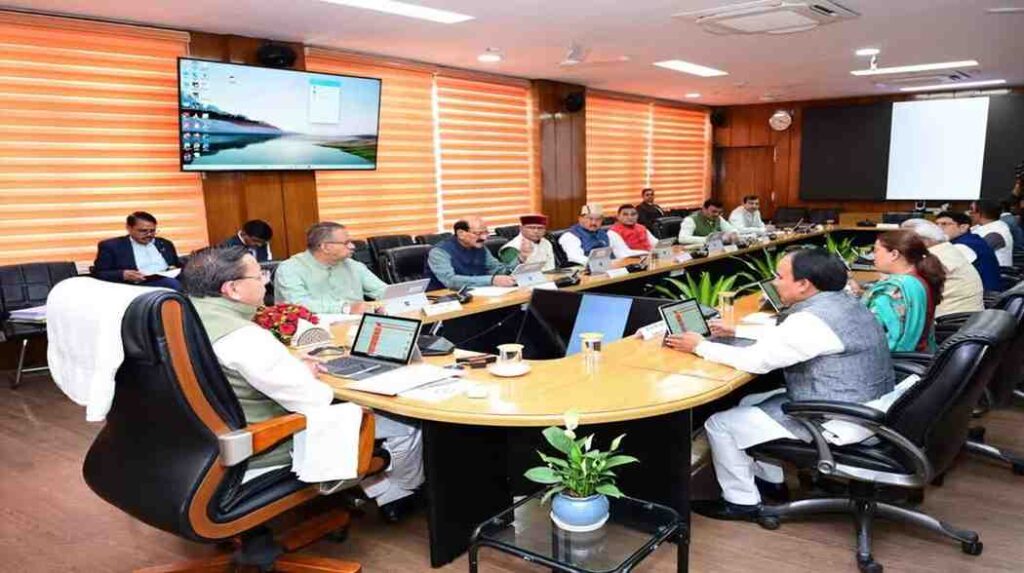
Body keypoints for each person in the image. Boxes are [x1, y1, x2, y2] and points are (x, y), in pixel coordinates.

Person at [181, 246, 424, 523]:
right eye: (259, 276)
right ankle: (395, 495)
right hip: (260, 446)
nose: (265, 282)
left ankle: (371, 489)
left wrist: (288, 365)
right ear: (232, 289)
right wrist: (303, 373)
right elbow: (314, 399)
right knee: (407, 423)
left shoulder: (181, 319)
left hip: (201, 444)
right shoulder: (242, 336)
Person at [664, 248, 894, 521]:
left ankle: (742, 503)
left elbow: (756, 362)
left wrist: (699, 346)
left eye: (780, 276)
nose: (774, 283)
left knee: (720, 423)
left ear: (803, 284)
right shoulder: (843, 303)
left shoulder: (811, 320)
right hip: (868, 402)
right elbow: (793, 337)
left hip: (837, 417)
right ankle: (771, 482)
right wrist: (737, 330)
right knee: (748, 402)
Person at [858, 230, 945, 353]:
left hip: (892, 359)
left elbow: (865, 332)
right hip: (920, 355)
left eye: (876, 250)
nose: (873, 255)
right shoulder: (920, 279)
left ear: (894, 254)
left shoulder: (892, 289)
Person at [274, 222, 387, 313]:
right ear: (325, 247)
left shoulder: (353, 265)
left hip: (356, 325)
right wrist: (345, 308)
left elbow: (382, 290)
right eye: (346, 243)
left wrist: (385, 305)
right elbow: (298, 304)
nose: (352, 246)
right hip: (313, 330)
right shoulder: (289, 269)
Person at [901, 219, 983, 317]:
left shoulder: (934, 257)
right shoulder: (947, 249)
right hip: (968, 318)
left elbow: (906, 288)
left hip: (949, 319)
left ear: (924, 241)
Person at [93, 211, 182, 290]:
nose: (149, 234)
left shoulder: (165, 243)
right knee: (173, 284)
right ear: (129, 228)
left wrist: (173, 268)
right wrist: (123, 274)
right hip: (137, 285)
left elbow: (176, 264)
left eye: (152, 231)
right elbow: (98, 273)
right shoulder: (112, 246)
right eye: (143, 231)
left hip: (168, 278)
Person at [424, 216, 515, 290]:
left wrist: (520, 259)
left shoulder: (480, 247)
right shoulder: (439, 252)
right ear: (461, 234)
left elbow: (497, 270)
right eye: (478, 233)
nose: (484, 238)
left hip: (477, 294)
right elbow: (450, 280)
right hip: (445, 299)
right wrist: (491, 280)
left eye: (486, 233)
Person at [935, 211, 1002, 291]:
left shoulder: (964, 246)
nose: (938, 228)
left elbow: (939, 272)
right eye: (936, 224)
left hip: (985, 295)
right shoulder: (969, 239)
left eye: (944, 224)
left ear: (963, 227)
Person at [969, 200, 1014, 267]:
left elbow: (971, 253)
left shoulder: (996, 232)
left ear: (981, 213)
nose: (969, 213)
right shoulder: (981, 226)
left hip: (996, 271)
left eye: (971, 210)